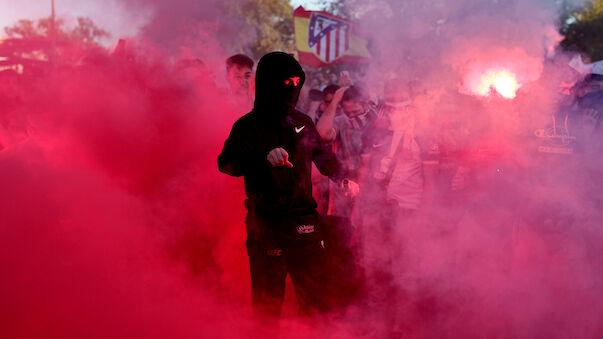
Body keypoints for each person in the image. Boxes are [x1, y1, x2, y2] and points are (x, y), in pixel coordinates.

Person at [218, 52, 358, 319]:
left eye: (297, 81)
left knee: (316, 300)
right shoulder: (247, 126)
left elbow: (324, 157)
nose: (293, 88)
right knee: (267, 304)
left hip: (304, 222)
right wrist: (262, 158)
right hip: (266, 226)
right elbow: (226, 164)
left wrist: (344, 178)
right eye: (287, 82)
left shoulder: (302, 122)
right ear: (269, 83)